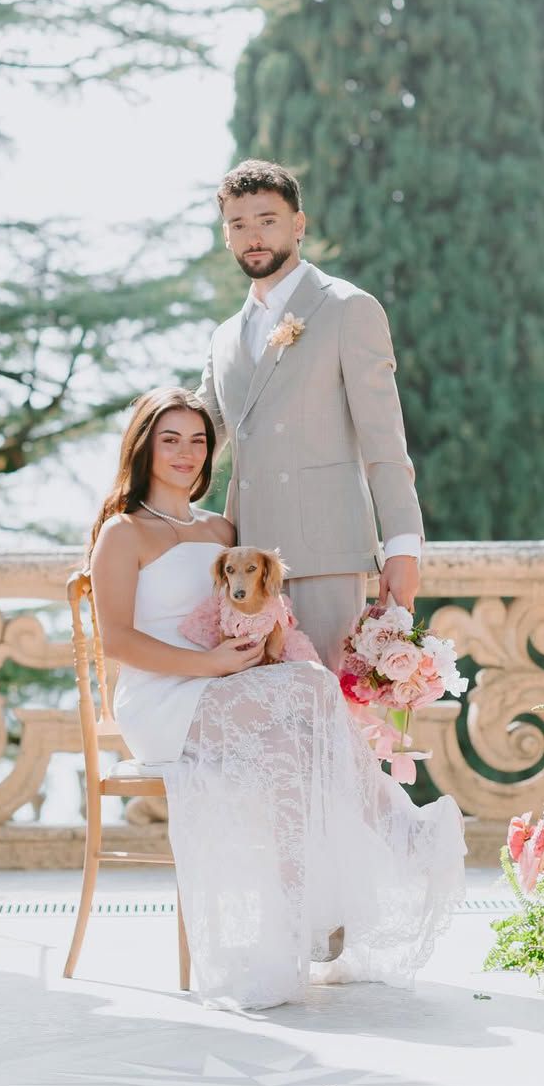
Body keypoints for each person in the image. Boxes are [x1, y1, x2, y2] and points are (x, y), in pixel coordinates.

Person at [90, 387, 465, 1011]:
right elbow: (117, 640)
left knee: (294, 759)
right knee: (313, 687)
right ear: (144, 447)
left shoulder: (221, 528)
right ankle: (398, 827)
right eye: (170, 439)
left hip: (228, 689)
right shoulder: (122, 534)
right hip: (164, 700)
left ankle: (296, 936)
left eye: (198, 440)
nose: (186, 453)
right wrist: (205, 664)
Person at [197, 158, 425, 674]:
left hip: (327, 555)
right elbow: (199, 437)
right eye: (239, 225)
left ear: (298, 225)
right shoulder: (225, 336)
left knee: (331, 725)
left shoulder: (347, 308)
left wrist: (403, 547)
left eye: (267, 220)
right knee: (264, 733)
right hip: (248, 569)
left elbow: (384, 439)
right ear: (226, 236)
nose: (253, 236)